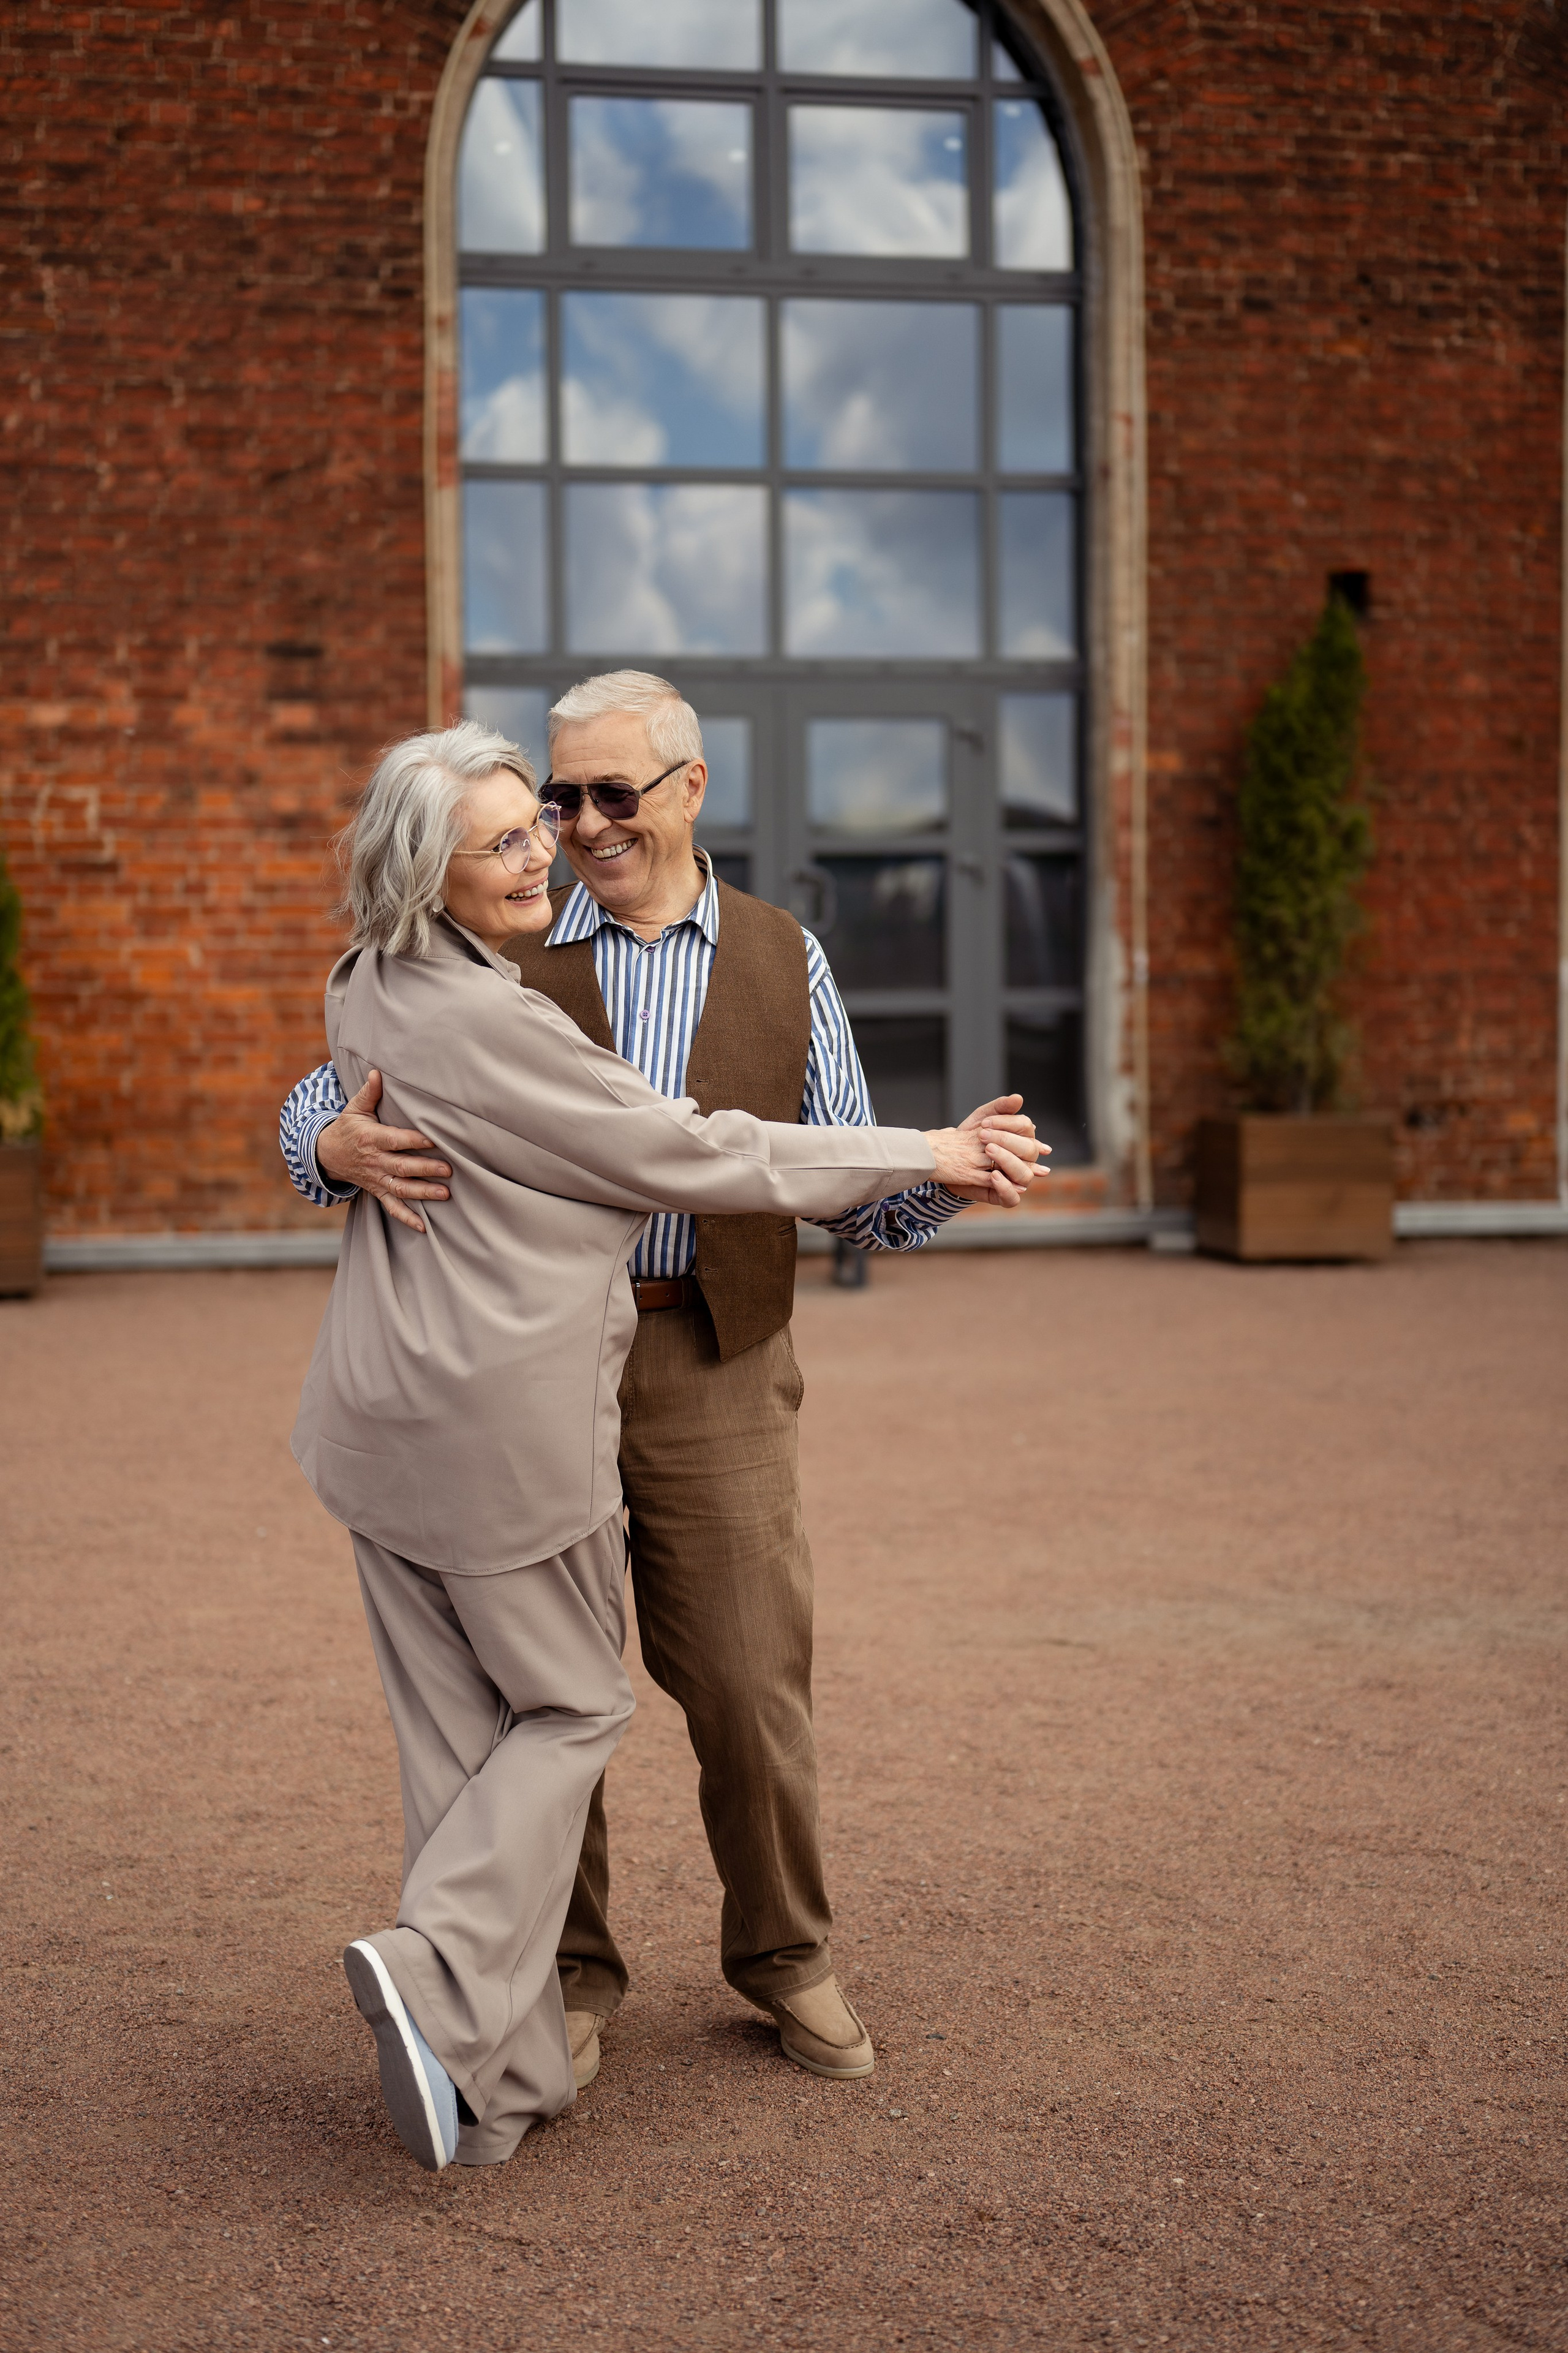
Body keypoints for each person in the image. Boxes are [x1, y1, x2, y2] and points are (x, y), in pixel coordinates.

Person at [279, 675, 1045, 2094]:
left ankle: (785, 1958)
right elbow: (345, 1080)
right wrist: (321, 1147)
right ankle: (559, 1981)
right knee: (542, 1697)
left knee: (750, 1684)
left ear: (689, 790)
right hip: (533, 1372)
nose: (572, 829)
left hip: (707, 1351)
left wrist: (935, 1178)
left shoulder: (779, 955)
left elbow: (841, 1189)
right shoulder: (490, 937)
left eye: (604, 796)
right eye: (553, 802)